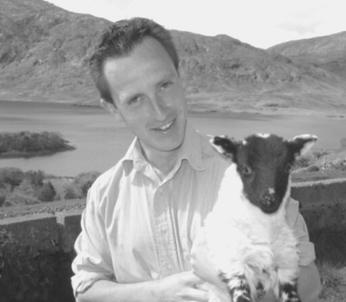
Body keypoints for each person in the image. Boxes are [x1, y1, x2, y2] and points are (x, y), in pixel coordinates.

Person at [71, 17, 321, 302]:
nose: (159, 111)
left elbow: (309, 283)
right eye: (135, 100)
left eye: (164, 85)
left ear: (180, 77)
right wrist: (157, 294)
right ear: (113, 109)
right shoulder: (104, 195)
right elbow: (86, 288)